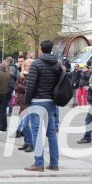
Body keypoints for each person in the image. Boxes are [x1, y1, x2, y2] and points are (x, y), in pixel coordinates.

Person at [24, 40, 61, 172]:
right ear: (51, 49)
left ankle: (39, 163)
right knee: (51, 132)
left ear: (41, 49)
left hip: (37, 101)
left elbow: (31, 84)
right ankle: (54, 162)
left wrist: (27, 100)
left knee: (37, 132)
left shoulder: (37, 64)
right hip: (51, 101)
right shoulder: (57, 65)